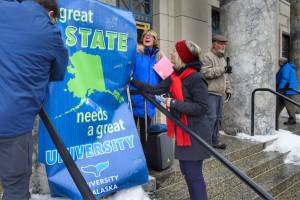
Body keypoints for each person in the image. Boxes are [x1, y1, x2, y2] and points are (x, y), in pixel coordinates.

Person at [0, 1, 68, 199]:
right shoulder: (51, 32)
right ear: (51, 14)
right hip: (13, 124)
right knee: (15, 189)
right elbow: (59, 72)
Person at [131, 40, 211, 200]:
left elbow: (202, 107)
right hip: (184, 132)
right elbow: (155, 89)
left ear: (182, 56)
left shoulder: (196, 78)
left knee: (193, 174)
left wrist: (173, 103)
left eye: (175, 51)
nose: (172, 53)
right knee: (187, 171)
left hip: (195, 133)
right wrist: (131, 81)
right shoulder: (176, 76)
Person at [131, 29, 163, 148]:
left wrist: (159, 95)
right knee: (132, 133)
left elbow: (165, 79)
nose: (147, 37)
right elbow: (128, 72)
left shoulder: (159, 57)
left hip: (149, 101)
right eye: (145, 35)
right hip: (134, 98)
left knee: (146, 135)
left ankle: (145, 159)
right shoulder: (136, 53)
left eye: (151, 36)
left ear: (155, 40)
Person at [201, 34, 232, 149]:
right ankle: (206, 143)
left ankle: (215, 141)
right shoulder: (207, 56)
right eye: (220, 43)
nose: (223, 46)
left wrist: (228, 89)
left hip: (220, 93)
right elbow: (205, 73)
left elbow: (225, 77)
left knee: (218, 118)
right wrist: (222, 69)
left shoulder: (223, 58)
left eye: (224, 44)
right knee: (211, 118)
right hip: (211, 92)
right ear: (214, 44)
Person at [276, 57, 299, 125]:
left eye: (279, 62)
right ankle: (274, 118)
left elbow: (284, 78)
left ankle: (292, 120)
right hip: (286, 89)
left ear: (281, 62)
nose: (278, 63)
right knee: (280, 104)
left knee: (289, 105)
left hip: (287, 90)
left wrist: (280, 88)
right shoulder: (285, 67)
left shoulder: (286, 67)